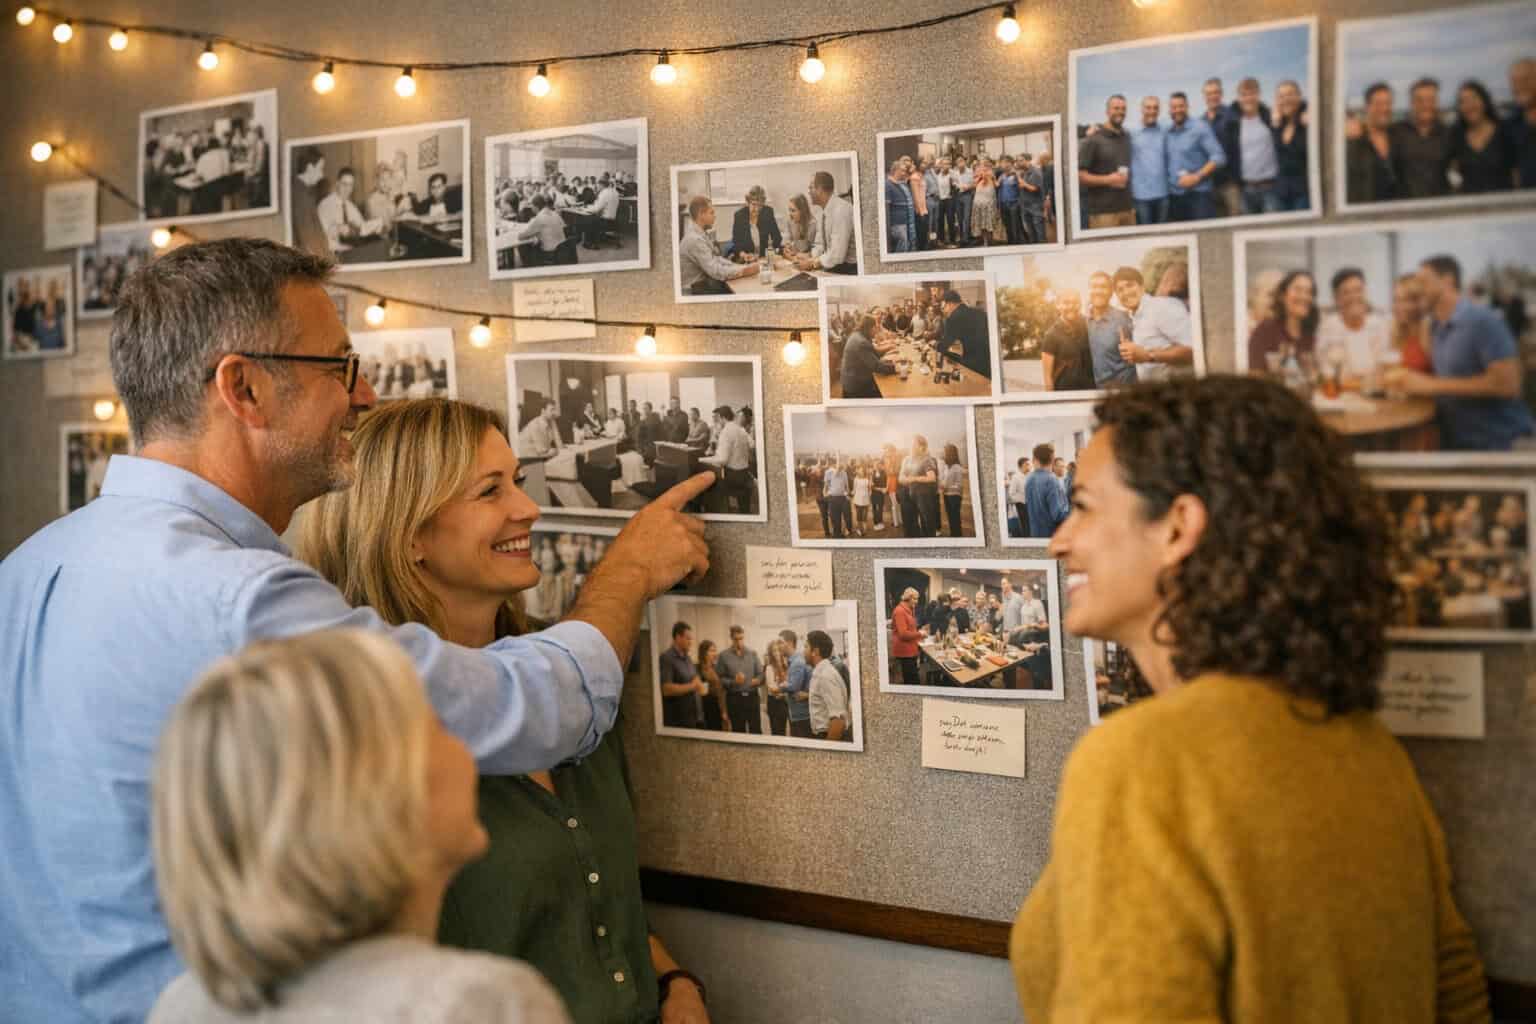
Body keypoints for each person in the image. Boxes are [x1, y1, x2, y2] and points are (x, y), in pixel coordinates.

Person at [0, 238, 713, 1024]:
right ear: (243, 388)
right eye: (339, 366)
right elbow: (508, 709)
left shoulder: (26, 571)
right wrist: (625, 575)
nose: (365, 394)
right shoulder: (238, 598)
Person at [1015, 376, 1491, 1022]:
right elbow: (1456, 992)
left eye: (1084, 506)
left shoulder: (1142, 762)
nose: (1059, 539)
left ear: (1178, 527)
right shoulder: (1366, 745)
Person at [295, 401, 708, 1024]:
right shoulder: (364, 724)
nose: (529, 507)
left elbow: (596, 892)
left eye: (517, 480)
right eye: (491, 491)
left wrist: (674, 980)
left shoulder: (576, 674)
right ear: (409, 535)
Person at [146, 631, 569, 1024]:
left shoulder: (183, 1005)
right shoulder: (479, 1004)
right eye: (439, 727)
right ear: (380, 787)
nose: (463, 749)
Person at [1388, 255, 1535, 452]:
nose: (1418, 289)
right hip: (1461, 444)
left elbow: (1508, 384)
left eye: (1423, 282)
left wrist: (1432, 385)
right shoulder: (1436, 328)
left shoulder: (1482, 320)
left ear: (1447, 281)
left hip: (1502, 442)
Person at [1113, 266, 1194, 381]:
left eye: (1130, 285)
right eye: (1120, 290)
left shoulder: (1162, 307)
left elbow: (1193, 350)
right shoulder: (1136, 317)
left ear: (1142, 287)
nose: (1126, 292)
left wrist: (1147, 355)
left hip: (1177, 389)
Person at [1318, 268, 1390, 381]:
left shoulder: (1379, 325)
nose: (1354, 296)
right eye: (1346, 292)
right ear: (1336, 299)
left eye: (1358, 290)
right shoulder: (1327, 328)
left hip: (1377, 390)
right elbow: (1326, 372)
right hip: (1340, 390)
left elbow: (1385, 369)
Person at [1165, 91, 1227, 221]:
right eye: (1174, 107)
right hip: (1176, 197)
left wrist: (1196, 177)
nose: (1177, 110)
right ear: (1169, 110)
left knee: (1205, 233)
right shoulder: (1168, 132)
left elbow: (1219, 157)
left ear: (1187, 107)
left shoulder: (1200, 127)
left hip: (1199, 196)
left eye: (1181, 106)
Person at [679, 196, 758, 295]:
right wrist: (744, 270)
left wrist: (741, 267)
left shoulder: (700, 234)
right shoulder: (694, 240)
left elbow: (716, 259)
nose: (715, 216)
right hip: (694, 292)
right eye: (711, 213)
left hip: (703, 286)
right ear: (701, 215)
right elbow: (715, 271)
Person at [1448, 79, 1517, 194]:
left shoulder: (1505, 132)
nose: (1469, 105)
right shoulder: (1456, 137)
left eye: (1473, 98)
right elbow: (1453, 173)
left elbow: (1517, 173)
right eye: (1463, 101)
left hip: (1505, 201)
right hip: (1470, 202)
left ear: (1484, 101)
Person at [1225, 78, 1281, 215]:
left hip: (1270, 188)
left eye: (1252, 93)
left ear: (1258, 94)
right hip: (1245, 190)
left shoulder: (1270, 117)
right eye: (1244, 95)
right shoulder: (1233, 123)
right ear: (1239, 98)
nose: (1248, 98)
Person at [1078, 95, 1134, 229]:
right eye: (1116, 108)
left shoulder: (1127, 137)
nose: (1120, 111)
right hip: (1103, 214)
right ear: (1107, 111)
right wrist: (1108, 180)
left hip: (1128, 210)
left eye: (1123, 109)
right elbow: (1080, 176)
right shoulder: (1093, 140)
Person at [1247, 270, 1319, 374]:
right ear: (1282, 295)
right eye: (1298, 290)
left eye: (1309, 292)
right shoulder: (1265, 331)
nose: (1304, 296)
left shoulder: (1311, 336)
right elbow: (1255, 375)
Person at [1394, 77, 1451, 200]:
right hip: (1405, 205)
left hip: (1440, 204)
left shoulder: (1449, 134)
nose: (1426, 105)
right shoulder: (1396, 131)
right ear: (1411, 103)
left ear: (1437, 102)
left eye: (1431, 100)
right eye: (1419, 100)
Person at [793, 171, 859, 275]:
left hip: (849, 269)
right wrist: (808, 256)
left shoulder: (841, 210)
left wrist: (811, 263)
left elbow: (837, 255)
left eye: (811, 187)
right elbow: (821, 245)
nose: (808, 192)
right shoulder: (822, 212)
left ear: (819, 190)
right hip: (834, 265)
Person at [1346, 83, 1400, 204]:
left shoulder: (1398, 135)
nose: (1385, 108)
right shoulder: (1353, 139)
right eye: (1379, 103)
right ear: (1367, 106)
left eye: (1388, 103)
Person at [1085, 271, 1136, 387]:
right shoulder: (1085, 321)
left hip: (1123, 390)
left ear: (1111, 292)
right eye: (1094, 286)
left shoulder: (1124, 319)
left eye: (1103, 287)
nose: (1098, 291)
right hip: (1096, 391)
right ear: (1089, 291)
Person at [702, 405, 755, 514]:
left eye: (718, 418)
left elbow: (722, 460)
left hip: (733, 477)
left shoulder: (726, 431)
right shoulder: (741, 430)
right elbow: (751, 446)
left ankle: (719, 513)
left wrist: (702, 460)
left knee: (707, 485)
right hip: (745, 474)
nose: (718, 421)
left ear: (722, 418)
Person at [1041, 288, 1095, 392]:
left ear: (1080, 304)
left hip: (1090, 391)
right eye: (1066, 303)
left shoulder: (1088, 325)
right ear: (1058, 305)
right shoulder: (1051, 335)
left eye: (1075, 302)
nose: (1071, 306)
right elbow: (1047, 377)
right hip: (1064, 394)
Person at [1201, 77, 1241, 216]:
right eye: (1209, 93)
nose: (1212, 96)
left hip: (1230, 184)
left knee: (1237, 222)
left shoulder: (1232, 117)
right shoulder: (1201, 121)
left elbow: (1238, 150)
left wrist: (1237, 180)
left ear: (1221, 94)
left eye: (1215, 92)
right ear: (1204, 96)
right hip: (1210, 184)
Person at [1271, 79, 1311, 211]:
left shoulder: (1309, 118)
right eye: (1281, 96)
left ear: (1299, 96)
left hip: (1305, 192)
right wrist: (1276, 125)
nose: (1286, 99)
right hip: (1281, 192)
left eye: (1290, 94)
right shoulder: (1278, 123)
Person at [659, 621, 707, 728]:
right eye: (688, 638)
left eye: (691, 639)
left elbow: (694, 679)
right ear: (678, 637)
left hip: (696, 718)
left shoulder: (688, 658)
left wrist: (698, 682)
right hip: (681, 721)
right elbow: (666, 689)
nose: (691, 642)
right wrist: (693, 686)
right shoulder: (667, 658)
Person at [718, 625, 765, 735]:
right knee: (738, 732)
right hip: (735, 699)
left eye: (741, 639)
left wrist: (758, 680)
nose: (739, 642)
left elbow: (761, 674)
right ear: (731, 638)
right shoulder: (723, 656)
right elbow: (720, 679)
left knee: (756, 730)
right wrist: (733, 682)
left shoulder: (752, 653)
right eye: (736, 639)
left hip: (752, 697)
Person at [804, 631, 850, 741]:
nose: (803, 651)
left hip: (827, 735)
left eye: (806, 647)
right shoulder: (821, 672)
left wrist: (827, 747)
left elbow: (838, 720)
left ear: (815, 651)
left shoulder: (825, 676)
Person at [1130, 96, 1170, 225]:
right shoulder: (1131, 132)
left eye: (1155, 108)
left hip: (1163, 193)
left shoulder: (1165, 130)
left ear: (1159, 110)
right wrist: (1093, 130)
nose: (1152, 111)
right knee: (1146, 234)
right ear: (1142, 109)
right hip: (1141, 196)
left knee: (1164, 233)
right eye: (1148, 108)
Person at [839, 315, 897, 399]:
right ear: (870, 328)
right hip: (856, 388)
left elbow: (873, 353)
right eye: (875, 328)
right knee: (889, 390)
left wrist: (890, 358)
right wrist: (896, 367)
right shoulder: (861, 342)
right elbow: (876, 366)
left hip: (852, 381)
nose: (877, 331)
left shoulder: (858, 335)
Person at [317, 167, 373, 252]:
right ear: (337, 183)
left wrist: (373, 227)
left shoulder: (351, 207)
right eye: (344, 184)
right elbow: (322, 238)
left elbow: (362, 227)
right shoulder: (325, 206)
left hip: (352, 250)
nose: (347, 189)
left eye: (351, 185)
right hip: (333, 252)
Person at [940, 289, 992, 378]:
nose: (944, 311)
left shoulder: (954, 317)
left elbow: (945, 345)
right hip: (989, 364)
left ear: (949, 304)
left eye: (944, 307)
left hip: (972, 366)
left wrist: (935, 345)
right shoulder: (981, 313)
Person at [1391, 273, 1435, 374]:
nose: (1397, 307)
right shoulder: (1398, 331)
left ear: (1418, 302)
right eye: (1395, 300)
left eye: (1404, 300)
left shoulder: (1428, 330)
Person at [289, 146, 329, 256]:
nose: (322, 175)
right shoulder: (300, 195)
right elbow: (307, 240)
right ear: (310, 168)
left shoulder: (303, 190)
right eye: (320, 169)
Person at [900, 435, 941, 539]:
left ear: (922, 447)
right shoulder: (906, 460)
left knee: (927, 524)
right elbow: (901, 478)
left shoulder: (926, 460)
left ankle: (929, 544)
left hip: (924, 496)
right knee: (910, 525)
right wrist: (909, 479)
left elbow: (932, 477)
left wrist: (913, 478)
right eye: (911, 444)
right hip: (908, 495)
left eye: (915, 444)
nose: (912, 446)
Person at [1024, 442, 1069, 538]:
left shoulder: (1029, 479)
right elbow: (1058, 515)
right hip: (1051, 536)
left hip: (1035, 534)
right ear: (1052, 459)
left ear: (1035, 459)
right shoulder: (1052, 480)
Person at [731, 184, 782, 260]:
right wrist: (743, 255)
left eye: (760, 205)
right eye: (754, 204)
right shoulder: (739, 216)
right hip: (747, 258)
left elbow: (777, 237)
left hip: (764, 257)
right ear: (748, 202)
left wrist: (771, 251)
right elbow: (736, 242)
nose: (757, 209)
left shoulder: (768, 212)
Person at [780, 628, 814, 738]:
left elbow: (794, 687)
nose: (779, 646)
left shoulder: (797, 662)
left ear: (790, 643)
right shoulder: (793, 661)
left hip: (801, 715)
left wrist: (781, 687)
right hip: (798, 713)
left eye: (781, 643)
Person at [890, 588, 923, 686]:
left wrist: (918, 635)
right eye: (915, 599)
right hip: (905, 650)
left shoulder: (909, 610)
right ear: (908, 598)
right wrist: (919, 634)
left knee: (912, 676)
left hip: (910, 648)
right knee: (911, 679)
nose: (916, 602)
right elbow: (903, 634)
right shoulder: (900, 611)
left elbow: (910, 628)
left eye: (917, 599)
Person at [695, 639, 728, 732]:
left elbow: (721, 691)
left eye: (715, 650)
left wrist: (724, 711)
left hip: (717, 706)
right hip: (704, 707)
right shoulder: (697, 668)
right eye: (711, 650)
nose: (715, 653)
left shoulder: (716, 668)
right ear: (704, 653)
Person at [885, 161, 917, 253]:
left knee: (905, 247)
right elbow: (886, 209)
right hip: (897, 224)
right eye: (902, 171)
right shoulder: (888, 185)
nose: (904, 173)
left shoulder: (901, 184)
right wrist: (888, 228)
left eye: (905, 171)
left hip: (905, 223)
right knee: (901, 250)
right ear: (895, 171)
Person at [763, 638, 791, 736]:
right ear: (771, 653)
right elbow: (772, 688)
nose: (777, 653)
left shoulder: (786, 666)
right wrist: (784, 689)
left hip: (784, 702)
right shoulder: (769, 667)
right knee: (776, 731)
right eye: (774, 650)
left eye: (778, 650)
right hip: (774, 703)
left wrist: (782, 690)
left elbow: (789, 684)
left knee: (783, 730)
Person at [1018, 153, 1046, 244]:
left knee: (1039, 232)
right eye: (1018, 161)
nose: (1019, 163)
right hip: (1026, 206)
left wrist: (1024, 184)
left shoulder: (1036, 172)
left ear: (1028, 160)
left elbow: (1035, 188)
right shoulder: (1023, 172)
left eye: (1021, 160)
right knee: (1031, 232)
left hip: (1035, 206)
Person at [970, 161, 1000, 246]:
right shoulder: (978, 178)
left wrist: (990, 177)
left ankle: (990, 240)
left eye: (985, 169)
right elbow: (973, 185)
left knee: (989, 222)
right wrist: (979, 177)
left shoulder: (991, 178)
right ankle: (984, 240)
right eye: (981, 168)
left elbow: (997, 185)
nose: (983, 171)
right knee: (981, 223)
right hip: (978, 204)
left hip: (988, 204)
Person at [941, 443, 967, 538]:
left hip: (955, 497)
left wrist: (947, 487)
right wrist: (942, 484)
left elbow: (959, 486)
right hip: (946, 495)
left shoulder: (957, 467)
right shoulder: (945, 466)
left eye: (945, 452)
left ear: (950, 453)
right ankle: (953, 536)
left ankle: (958, 536)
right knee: (950, 518)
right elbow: (944, 479)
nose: (943, 454)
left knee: (955, 519)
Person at [1007, 457, 1031, 538]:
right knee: (1025, 527)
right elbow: (1011, 494)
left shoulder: (1029, 476)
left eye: (1029, 464)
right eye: (1027, 464)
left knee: (1031, 526)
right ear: (1021, 466)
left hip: (1031, 504)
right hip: (1022, 505)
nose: (1029, 466)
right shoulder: (1016, 477)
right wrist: (1023, 500)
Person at [852, 462, 873, 536]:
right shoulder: (856, 479)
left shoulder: (867, 479)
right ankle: (859, 529)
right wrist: (852, 497)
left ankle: (864, 529)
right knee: (859, 516)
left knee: (864, 515)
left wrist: (869, 495)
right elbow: (854, 490)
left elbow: (870, 489)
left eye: (863, 470)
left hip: (865, 500)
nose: (861, 472)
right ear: (858, 471)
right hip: (858, 500)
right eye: (860, 470)